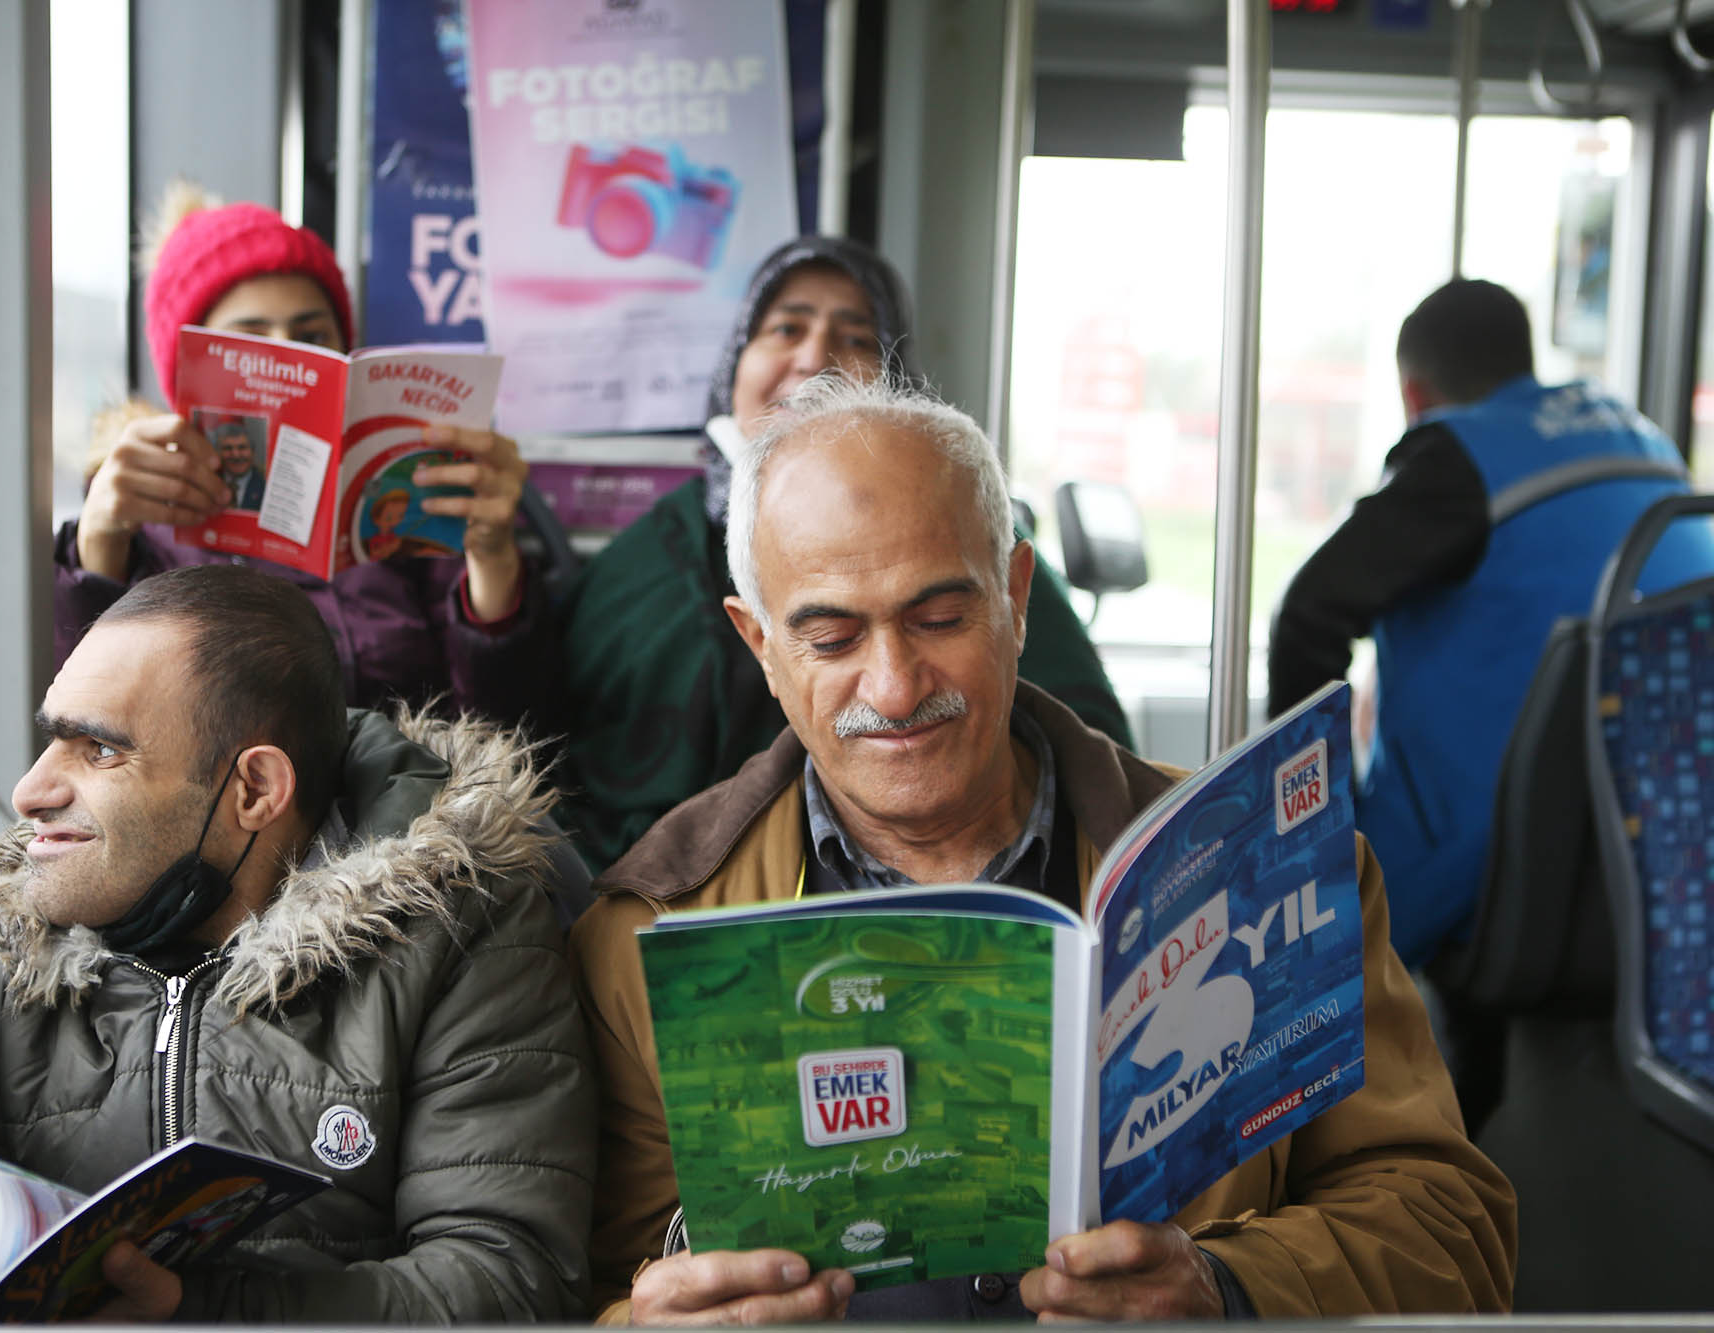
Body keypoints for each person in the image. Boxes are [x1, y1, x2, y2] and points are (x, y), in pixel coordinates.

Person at [569, 376, 1516, 1322]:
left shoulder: (1270, 862)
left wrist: (1229, 1289)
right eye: (830, 636)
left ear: (1017, 597)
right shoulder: (649, 936)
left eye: (940, 618)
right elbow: (590, 1287)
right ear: (761, 644)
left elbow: (1451, 1226)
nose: (895, 688)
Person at [0, 565, 594, 1322]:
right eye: (52, 737)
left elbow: (516, 1279)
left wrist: (204, 1313)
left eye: (99, 749)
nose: (29, 791)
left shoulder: (462, 930)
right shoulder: (15, 962)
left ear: (254, 789)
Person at [555, 235, 1132, 871]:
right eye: (785, 329)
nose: (813, 358)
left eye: (856, 337)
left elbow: (1094, 773)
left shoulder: (972, 543)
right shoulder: (639, 565)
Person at [1267, 278, 1714, 970]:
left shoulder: (1457, 460)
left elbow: (1306, 614)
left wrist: (1315, 834)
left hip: (1498, 874)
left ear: (1414, 397)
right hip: (1671, 855)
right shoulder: (1645, 443)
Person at [57, 182, 556, 730]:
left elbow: (505, 728)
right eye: (251, 342)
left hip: (410, 796)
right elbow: (89, 730)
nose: (288, 357)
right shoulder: (143, 516)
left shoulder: (401, 492)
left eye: (311, 336)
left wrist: (493, 561)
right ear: (187, 370)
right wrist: (100, 542)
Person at [209, 417, 265, 511]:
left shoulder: (265, 486)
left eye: (242, 448)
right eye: (227, 448)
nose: (235, 455)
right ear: (218, 453)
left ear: (253, 452)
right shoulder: (209, 483)